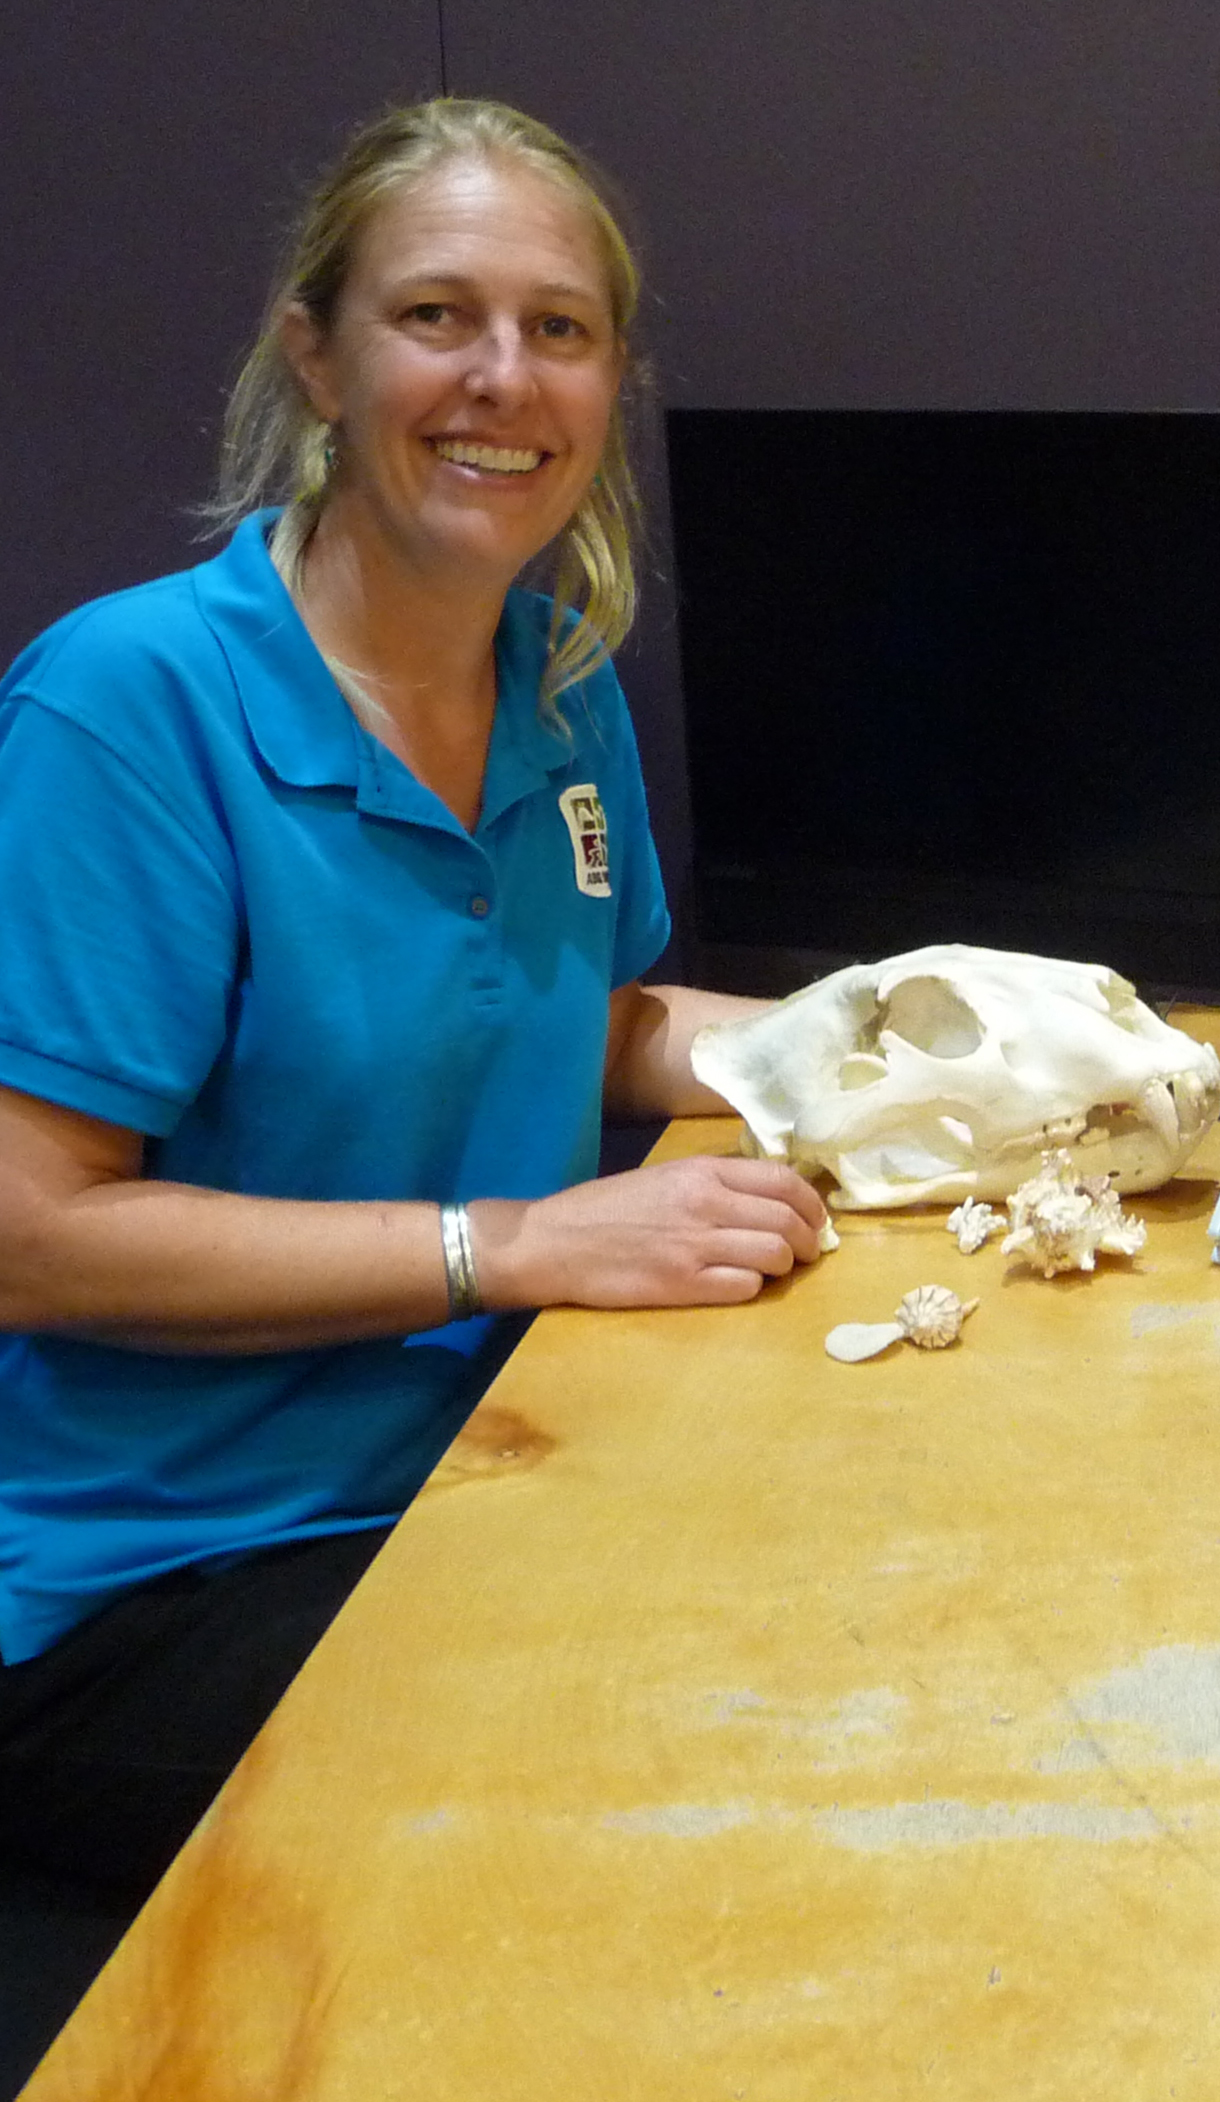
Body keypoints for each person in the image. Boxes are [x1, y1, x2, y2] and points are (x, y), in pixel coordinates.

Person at [0, 99, 829, 1905]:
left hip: (487, 1483)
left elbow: (585, 1021)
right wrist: (514, 1241)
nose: (502, 378)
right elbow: (32, 1241)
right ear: (315, 355)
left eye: (559, 328)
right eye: (436, 316)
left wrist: (943, 1039)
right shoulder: (129, 707)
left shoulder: (556, 665)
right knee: (712, 1799)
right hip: (162, 1585)